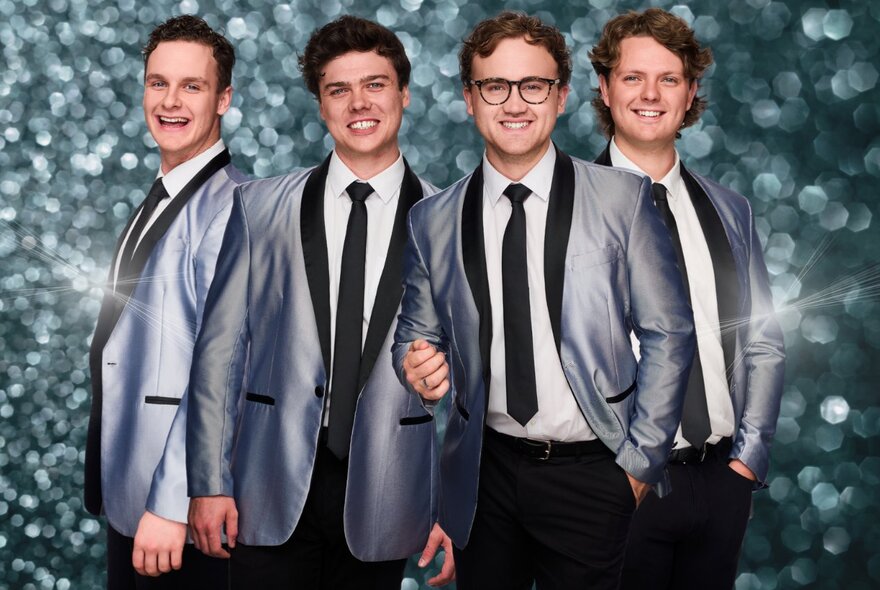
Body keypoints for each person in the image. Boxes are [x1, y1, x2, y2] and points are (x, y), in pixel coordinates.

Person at [393, 11, 695, 589]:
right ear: (469, 99)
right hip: (483, 474)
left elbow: (669, 334)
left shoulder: (624, 200)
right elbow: (414, 333)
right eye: (494, 86)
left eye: (534, 85)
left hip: (593, 471)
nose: (514, 103)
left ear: (560, 98)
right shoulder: (431, 219)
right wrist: (414, 362)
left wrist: (637, 466)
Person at [184, 15, 453, 589]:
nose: (359, 102)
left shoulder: (449, 221)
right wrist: (208, 482)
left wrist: (455, 503)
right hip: (267, 484)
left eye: (375, 84)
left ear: (403, 93)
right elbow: (218, 354)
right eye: (339, 89)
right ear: (321, 104)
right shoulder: (258, 208)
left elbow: (476, 375)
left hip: (390, 487)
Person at [589, 8, 786, 589]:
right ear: (604, 88)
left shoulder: (730, 208)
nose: (650, 94)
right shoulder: (568, 209)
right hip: (619, 486)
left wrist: (747, 461)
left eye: (668, 79)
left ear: (691, 91)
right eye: (632, 77)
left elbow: (764, 340)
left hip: (721, 480)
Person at [83, 14, 246, 589]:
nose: (170, 101)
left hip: (173, 508)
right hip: (133, 491)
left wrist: (175, 501)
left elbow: (224, 368)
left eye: (192, 86)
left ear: (223, 98)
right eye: (159, 83)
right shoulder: (165, 192)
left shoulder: (233, 209)